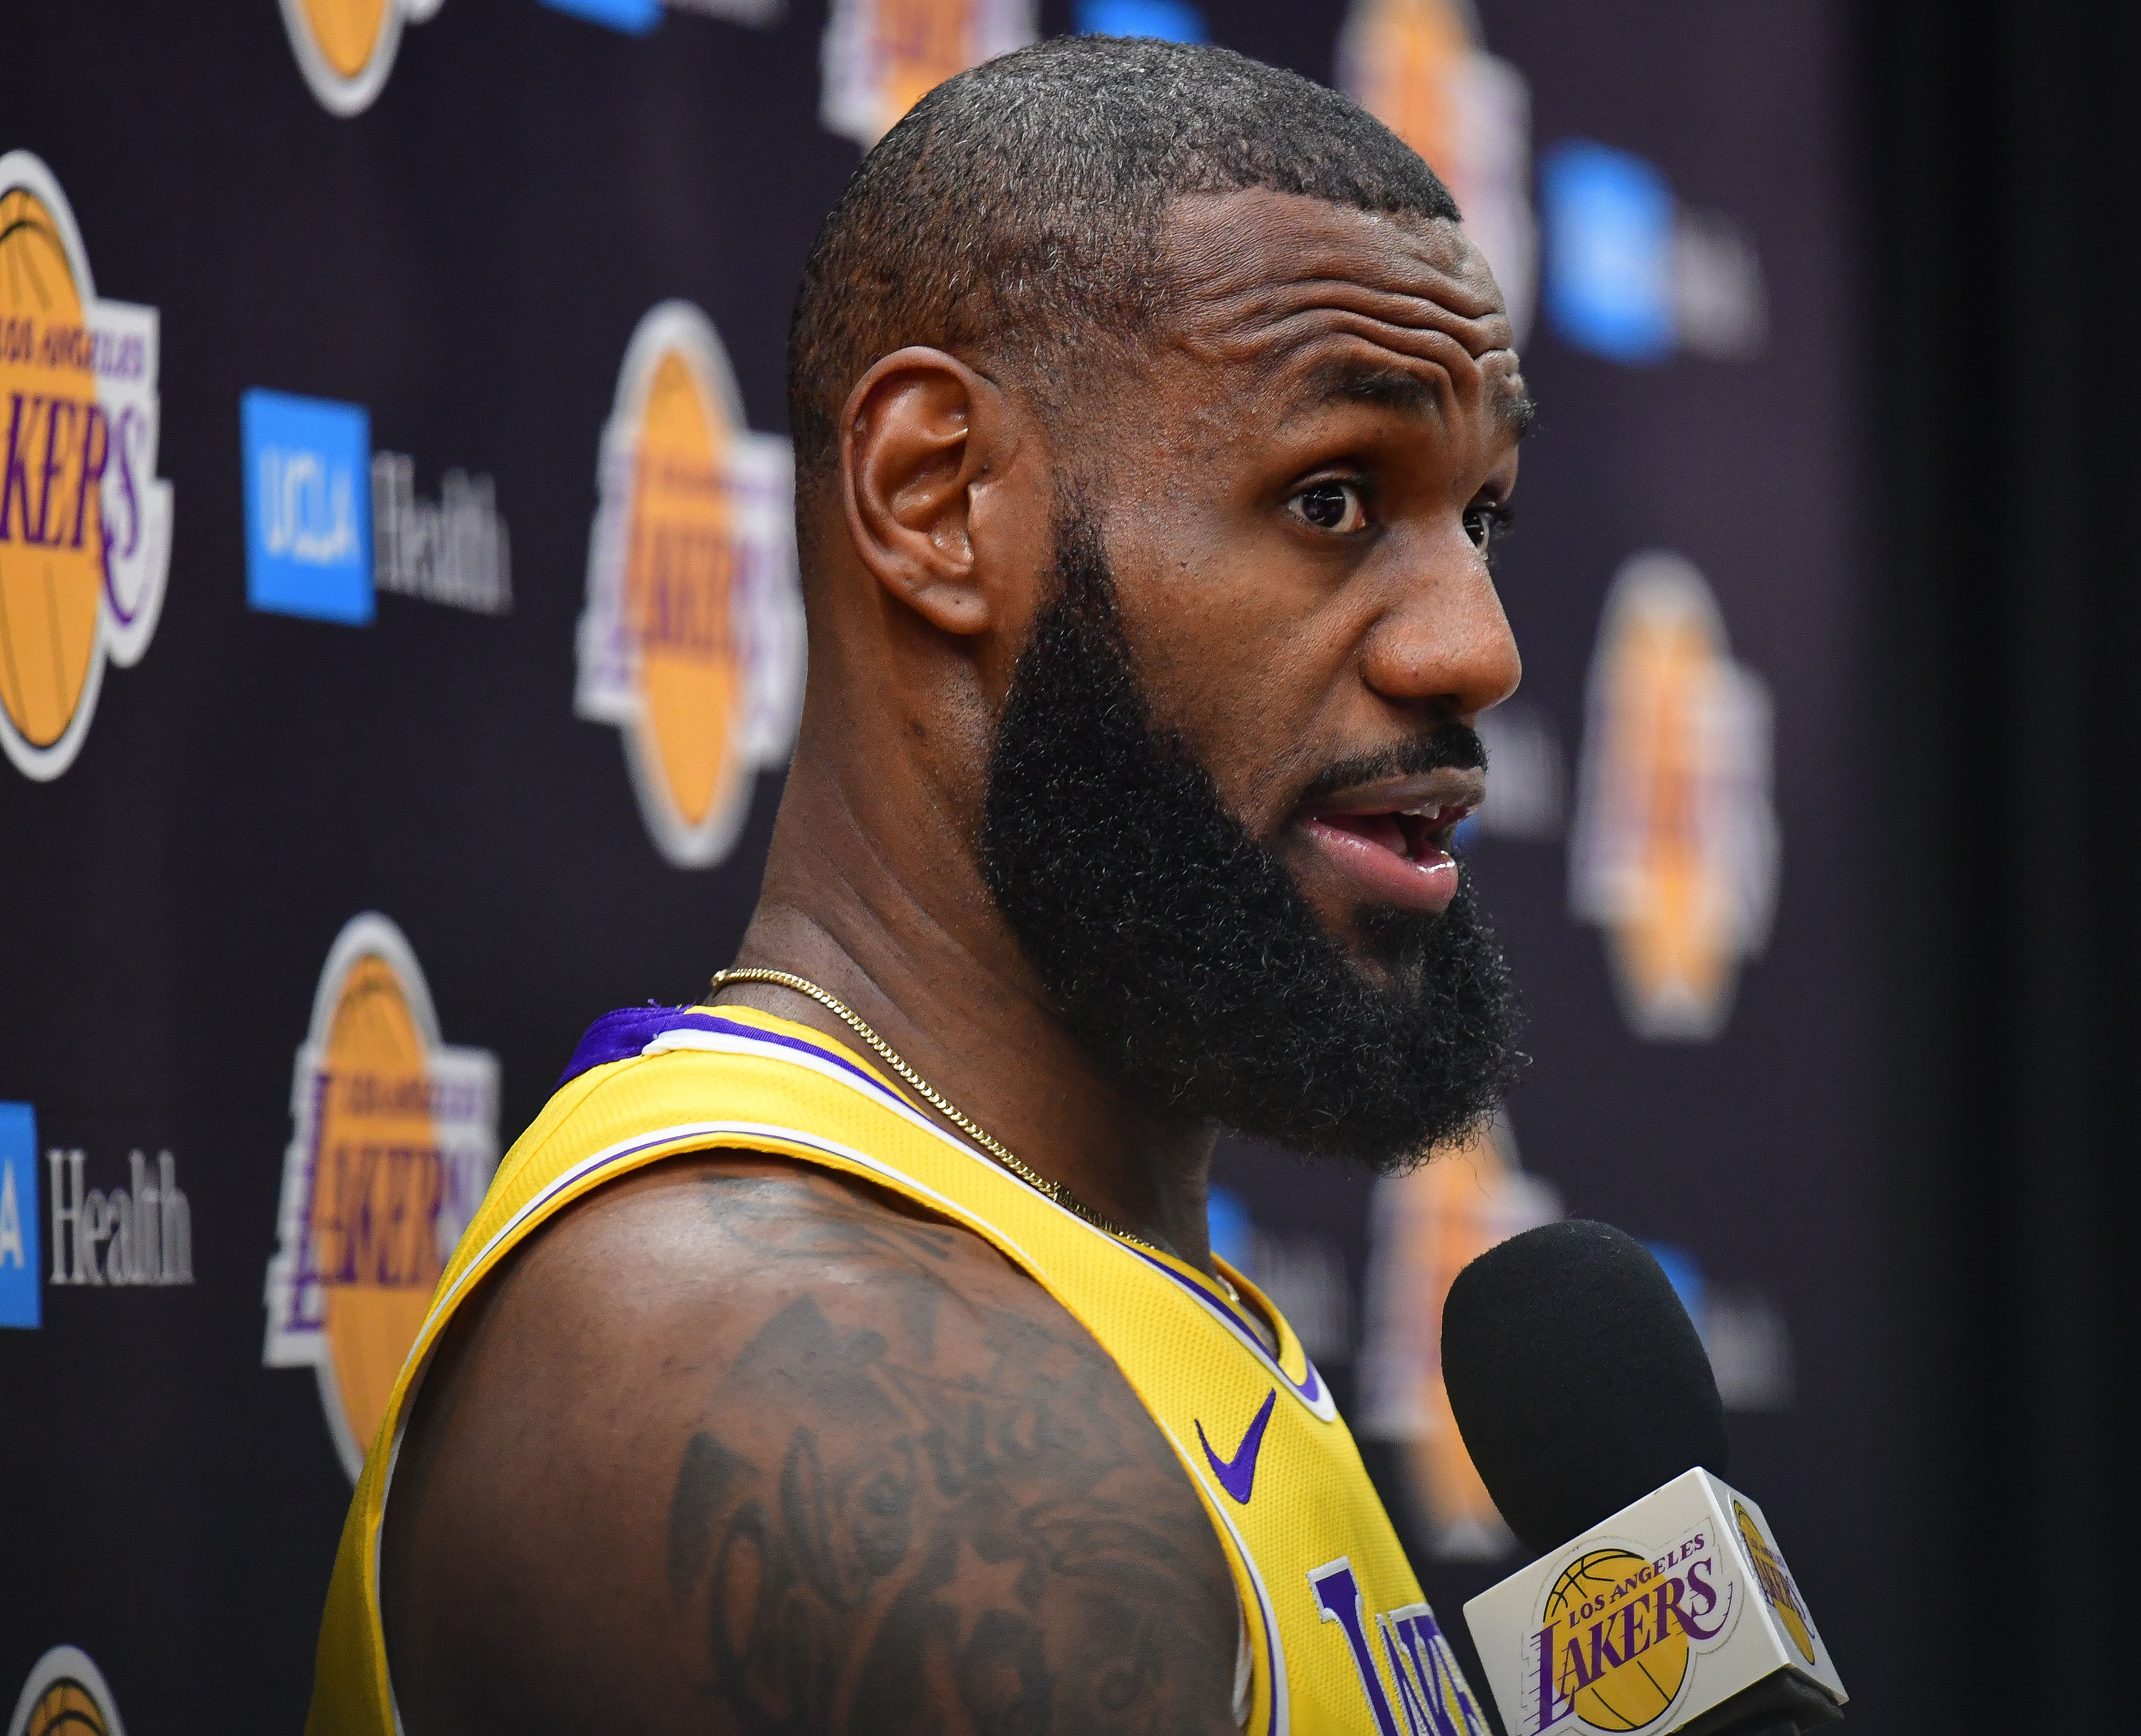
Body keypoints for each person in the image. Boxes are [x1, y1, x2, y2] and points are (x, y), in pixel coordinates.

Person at [307, 34, 1533, 1736]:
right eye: (1332, 499)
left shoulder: (1080, 1291)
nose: (1479, 646)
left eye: (1484, 518)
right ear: (936, 498)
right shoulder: (789, 1372)